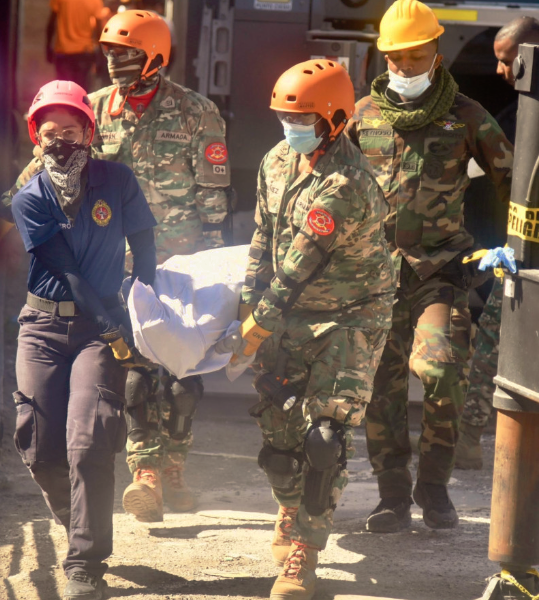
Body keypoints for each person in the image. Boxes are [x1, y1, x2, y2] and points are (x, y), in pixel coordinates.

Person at [5, 10, 232, 522]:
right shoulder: (90, 111)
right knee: (133, 371)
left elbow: (214, 198)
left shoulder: (197, 113)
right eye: (108, 52)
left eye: (126, 54)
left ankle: (174, 464)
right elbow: (37, 175)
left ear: (154, 57)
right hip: (111, 268)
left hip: (177, 266)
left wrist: (215, 268)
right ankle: (145, 471)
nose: (114, 62)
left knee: (181, 378)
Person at [217, 59, 395, 600]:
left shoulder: (347, 181)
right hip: (289, 315)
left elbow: (300, 261)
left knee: (323, 438)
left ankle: (305, 551)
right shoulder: (275, 161)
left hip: (351, 315)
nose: (291, 128)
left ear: (335, 120)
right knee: (279, 442)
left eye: (303, 120)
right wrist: (247, 305)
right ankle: (289, 507)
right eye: (285, 118)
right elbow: (262, 239)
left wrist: (259, 323)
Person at [346, 0, 513, 533]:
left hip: (438, 273)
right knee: (381, 388)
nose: (404, 67)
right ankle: (392, 496)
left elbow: (513, 181)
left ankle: (434, 487)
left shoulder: (466, 116)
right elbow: (332, 189)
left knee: (441, 372)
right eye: (395, 58)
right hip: (374, 278)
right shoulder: (363, 115)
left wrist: (514, 246)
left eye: (415, 57)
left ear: (436, 53)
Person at [11, 80, 156, 600]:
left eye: (70, 131)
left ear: (89, 133)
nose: (60, 142)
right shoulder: (29, 197)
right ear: (36, 137)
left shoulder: (117, 180)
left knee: (90, 438)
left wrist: (144, 304)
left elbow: (143, 241)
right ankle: (80, 524)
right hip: (44, 327)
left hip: (98, 332)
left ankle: (85, 561)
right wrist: (112, 321)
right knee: (38, 443)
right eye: (50, 133)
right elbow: (64, 269)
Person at [455, 16, 539, 470]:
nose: (500, 71)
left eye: (507, 61)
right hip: (523, 245)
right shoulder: (525, 106)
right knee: (492, 332)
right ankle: (467, 440)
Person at [46, 0, 108, 92]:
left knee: (62, 92)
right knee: (81, 91)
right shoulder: (95, 1)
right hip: (84, 51)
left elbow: (51, 23)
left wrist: (48, 47)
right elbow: (99, 30)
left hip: (63, 50)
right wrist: (101, 56)